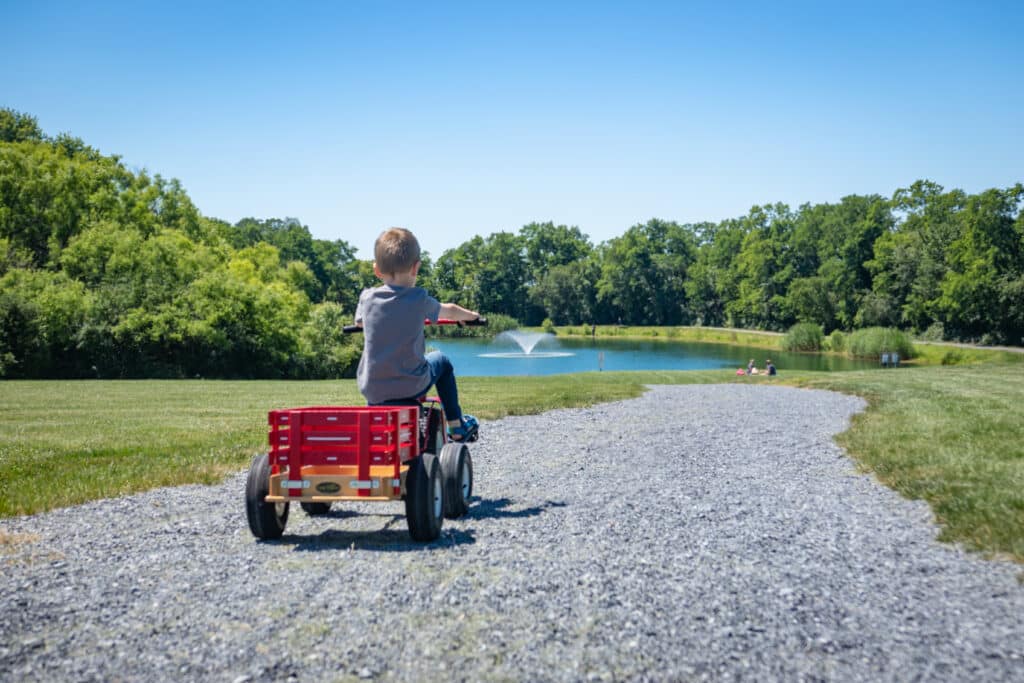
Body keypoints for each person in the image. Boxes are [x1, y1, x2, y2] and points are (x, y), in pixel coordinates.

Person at [354, 227, 481, 441]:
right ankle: (456, 425)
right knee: (442, 360)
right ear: (416, 268)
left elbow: (359, 322)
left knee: (379, 387)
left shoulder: (367, 298)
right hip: (411, 384)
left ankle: (380, 433)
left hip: (373, 388)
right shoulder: (418, 298)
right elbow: (449, 310)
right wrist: (471, 316)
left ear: (377, 270)